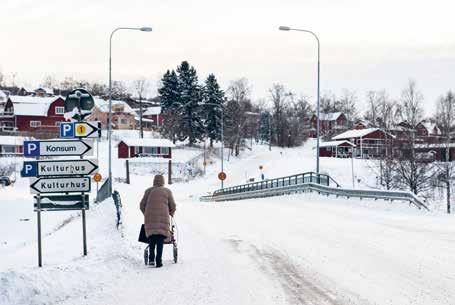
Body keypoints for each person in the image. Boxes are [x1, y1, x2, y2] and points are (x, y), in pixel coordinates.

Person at [140, 174, 176, 268]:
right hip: (163, 218)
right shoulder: (167, 191)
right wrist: (171, 213)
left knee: (152, 238)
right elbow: (173, 205)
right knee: (160, 239)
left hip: (150, 218)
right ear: (163, 182)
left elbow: (141, 205)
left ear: (154, 181)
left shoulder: (148, 191)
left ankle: (151, 259)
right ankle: (159, 261)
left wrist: (147, 214)